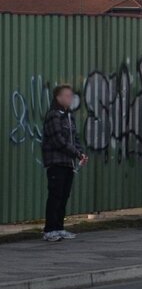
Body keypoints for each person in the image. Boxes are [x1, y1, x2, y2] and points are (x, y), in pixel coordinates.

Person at [42, 84, 87, 242]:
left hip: (68, 163)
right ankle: (49, 229)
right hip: (56, 162)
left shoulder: (69, 116)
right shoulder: (53, 115)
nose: (70, 98)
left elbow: (74, 138)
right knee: (55, 196)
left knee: (64, 196)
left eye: (71, 95)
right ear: (58, 97)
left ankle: (59, 227)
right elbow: (58, 141)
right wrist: (75, 153)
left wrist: (80, 153)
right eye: (66, 95)